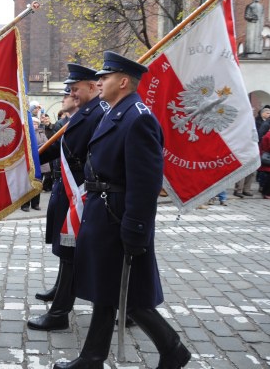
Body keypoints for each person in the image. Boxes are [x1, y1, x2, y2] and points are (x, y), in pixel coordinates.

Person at [55, 51, 191, 368]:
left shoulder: (138, 117)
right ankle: (92, 357)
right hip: (103, 212)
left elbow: (145, 182)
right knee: (108, 289)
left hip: (118, 216)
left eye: (105, 77)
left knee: (128, 294)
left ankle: (173, 349)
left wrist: (136, 227)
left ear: (124, 81)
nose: (99, 81)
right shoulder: (118, 111)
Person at [28, 64, 104, 331]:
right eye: (70, 89)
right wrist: (32, 158)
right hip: (69, 189)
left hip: (81, 193)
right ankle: (61, 291)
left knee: (72, 253)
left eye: (75, 89)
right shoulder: (85, 113)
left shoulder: (97, 114)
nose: (71, 93)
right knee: (66, 250)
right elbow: (60, 148)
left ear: (93, 87)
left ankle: (60, 312)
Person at [22, 117, 48, 212]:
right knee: (27, 185)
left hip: (40, 162)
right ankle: (25, 205)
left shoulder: (42, 133)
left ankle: (35, 204)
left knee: (38, 184)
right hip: (29, 162)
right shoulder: (26, 132)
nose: (34, 125)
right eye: (32, 123)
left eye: (36, 123)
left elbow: (46, 144)